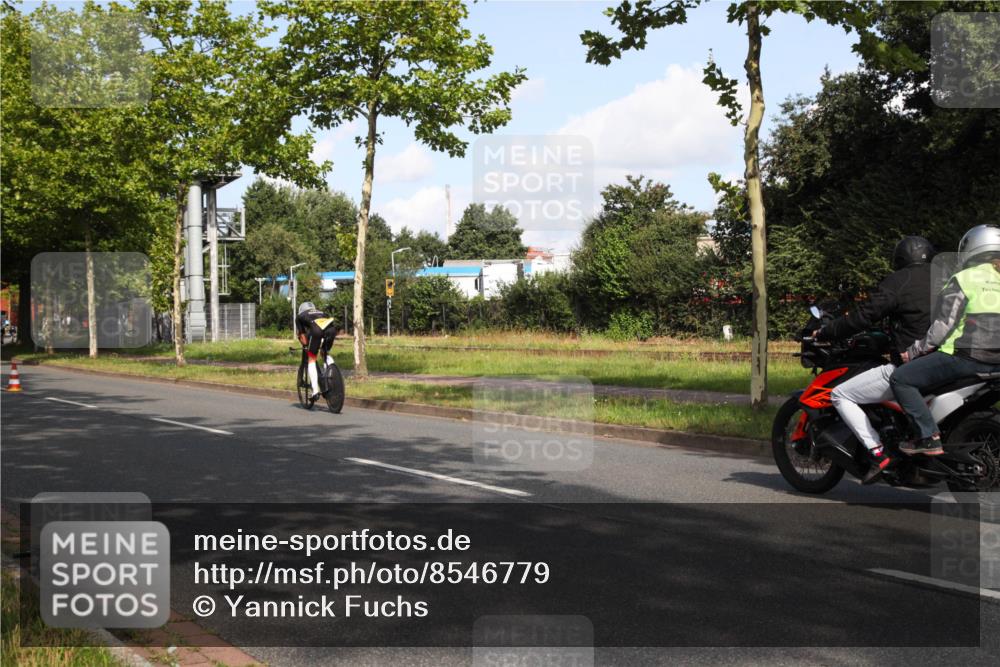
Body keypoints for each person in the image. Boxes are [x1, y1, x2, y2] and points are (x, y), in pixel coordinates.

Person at [815, 236, 936, 484]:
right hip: (946, 361)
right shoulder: (946, 278)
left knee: (840, 394)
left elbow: (865, 315)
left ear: (899, 259)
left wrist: (828, 331)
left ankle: (878, 453)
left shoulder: (900, 280)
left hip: (911, 365)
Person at [891, 225, 1000, 455]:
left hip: (965, 357)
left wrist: (912, 351)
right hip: (996, 363)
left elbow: (943, 327)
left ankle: (928, 437)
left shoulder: (964, 278)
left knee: (901, 379)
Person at [295, 302, 338, 399]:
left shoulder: (299, 316)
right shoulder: (321, 312)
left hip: (316, 331)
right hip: (331, 330)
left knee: (312, 359)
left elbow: (302, 336)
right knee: (324, 353)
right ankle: (332, 373)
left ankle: (315, 391)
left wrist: (306, 346)